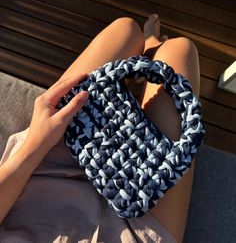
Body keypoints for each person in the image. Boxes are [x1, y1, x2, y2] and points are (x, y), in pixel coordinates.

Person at [0, 14, 200, 243]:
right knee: (180, 50)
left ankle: (144, 54)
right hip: (136, 230)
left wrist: (36, 142)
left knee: (125, 31)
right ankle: (149, 52)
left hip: (38, 179)